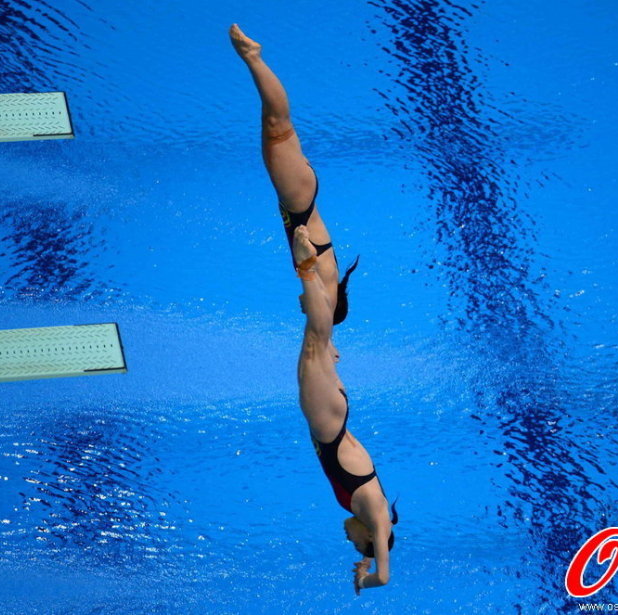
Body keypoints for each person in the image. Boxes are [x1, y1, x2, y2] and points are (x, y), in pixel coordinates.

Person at [230, 24, 398, 594]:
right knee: (278, 131)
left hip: (329, 409)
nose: (351, 539)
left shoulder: (364, 505)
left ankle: (256, 63)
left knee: (319, 337)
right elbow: (383, 554)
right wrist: (371, 573)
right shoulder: (374, 515)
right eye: (356, 543)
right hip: (328, 415)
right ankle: (255, 59)